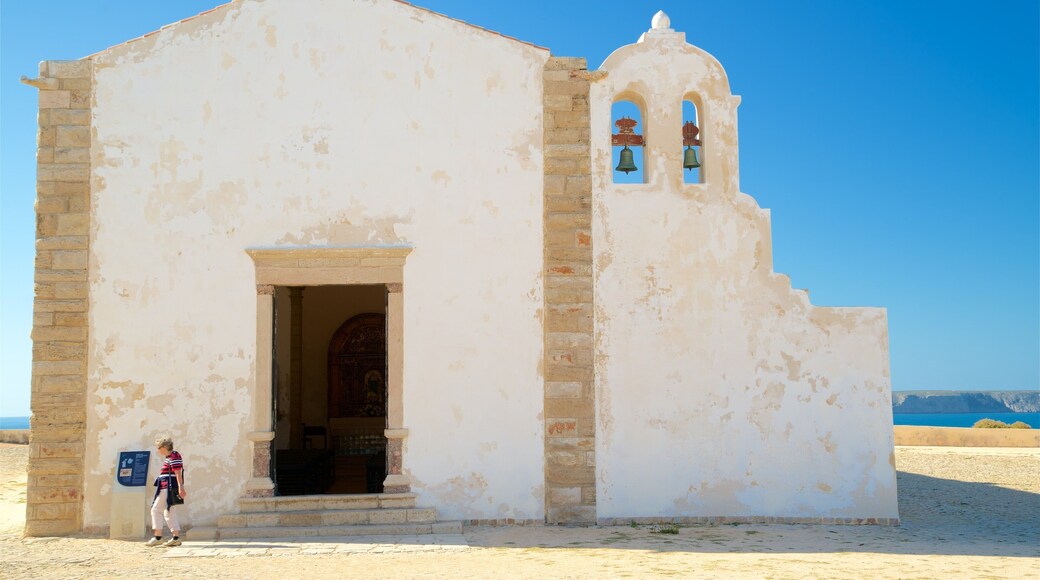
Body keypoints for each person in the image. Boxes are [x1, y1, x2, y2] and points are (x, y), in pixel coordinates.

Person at [146, 435, 186, 547]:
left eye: (159, 447)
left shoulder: (174, 456)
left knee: (156, 509)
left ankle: (158, 537)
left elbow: (177, 472)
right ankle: (176, 537)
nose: (158, 450)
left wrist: (181, 487)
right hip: (167, 487)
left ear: (164, 447)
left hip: (167, 487)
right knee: (169, 511)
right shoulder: (171, 456)